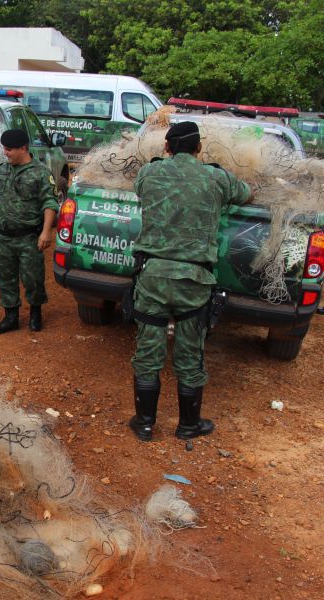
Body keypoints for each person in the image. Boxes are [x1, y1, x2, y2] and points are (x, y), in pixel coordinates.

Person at [129, 121, 253, 442]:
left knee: (148, 352)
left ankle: (144, 423)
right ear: (199, 148)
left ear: (167, 149)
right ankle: (188, 425)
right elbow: (245, 193)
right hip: (195, 280)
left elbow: (139, 186)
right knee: (189, 355)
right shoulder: (216, 178)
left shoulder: (149, 173)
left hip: (153, 276)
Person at [0, 128, 60, 333]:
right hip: (3, 237)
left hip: (29, 236)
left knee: (33, 278)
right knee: (5, 277)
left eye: (9, 149)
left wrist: (46, 232)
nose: (5, 153)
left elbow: (50, 203)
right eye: (4, 148)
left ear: (23, 148)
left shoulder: (40, 173)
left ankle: (35, 314)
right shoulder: (0, 170)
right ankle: (10, 317)